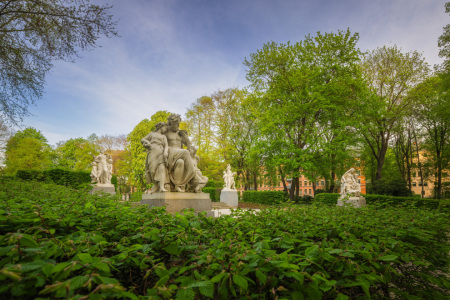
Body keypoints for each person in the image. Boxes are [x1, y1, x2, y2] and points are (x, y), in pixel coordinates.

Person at [163, 114, 196, 192]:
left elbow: (188, 145)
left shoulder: (180, 133)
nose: (177, 126)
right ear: (170, 123)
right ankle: (192, 171)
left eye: (178, 124)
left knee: (180, 162)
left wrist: (186, 138)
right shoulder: (165, 132)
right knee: (185, 152)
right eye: (175, 124)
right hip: (170, 153)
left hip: (179, 155)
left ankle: (178, 185)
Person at [141, 122, 169, 193]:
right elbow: (142, 139)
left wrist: (165, 152)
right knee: (152, 170)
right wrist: (146, 142)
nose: (165, 129)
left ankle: (162, 187)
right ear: (160, 126)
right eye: (164, 127)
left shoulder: (163, 137)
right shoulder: (151, 134)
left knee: (162, 168)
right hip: (152, 151)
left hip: (160, 152)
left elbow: (166, 145)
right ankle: (156, 186)